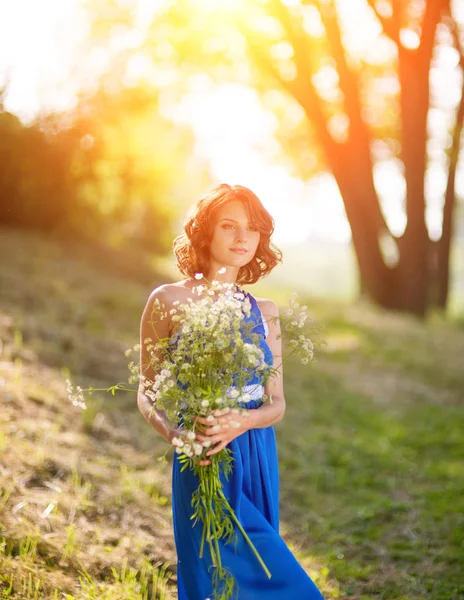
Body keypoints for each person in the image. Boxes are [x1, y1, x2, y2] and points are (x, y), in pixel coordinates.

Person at [137, 184, 325, 599]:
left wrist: (245, 421)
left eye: (253, 229)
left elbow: (277, 403)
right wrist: (178, 437)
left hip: (255, 450)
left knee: (270, 582)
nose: (243, 238)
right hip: (203, 456)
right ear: (204, 232)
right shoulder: (168, 300)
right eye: (229, 226)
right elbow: (146, 392)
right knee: (214, 579)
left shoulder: (265, 312)